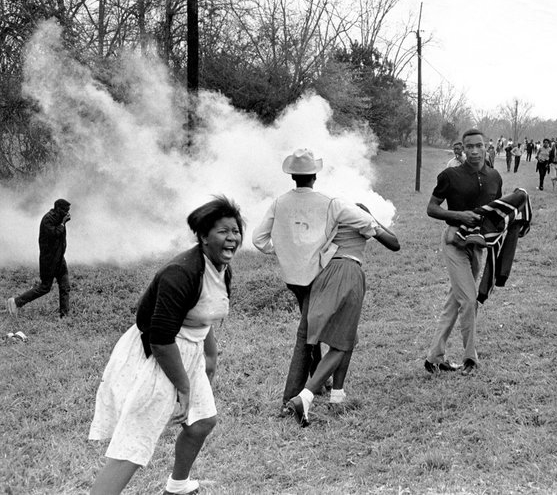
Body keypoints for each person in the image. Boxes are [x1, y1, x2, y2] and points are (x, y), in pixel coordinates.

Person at [89, 196, 244, 495]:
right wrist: (183, 387)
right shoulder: (181, 272)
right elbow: (160, 338)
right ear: (203, 236)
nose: (232, 238)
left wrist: (210, 356)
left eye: (235, 231)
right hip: (159, 354)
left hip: (188, 350)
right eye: (223, 231)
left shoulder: (220, 267)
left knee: (201, 421)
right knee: (134, 443)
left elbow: (204, 312)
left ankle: (178, 486)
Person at [252, 149, 385, 413]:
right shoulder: (330, 202)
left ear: (292, 176)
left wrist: (284, 250)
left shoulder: (279, 203)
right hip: (319, 275)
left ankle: (319, 384)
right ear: (314, 175)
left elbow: (258, 240)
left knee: (312, 331)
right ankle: (293, 398)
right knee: (308, 337)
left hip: (293, 278)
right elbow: (366, 221)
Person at [285, 204, 400, 427]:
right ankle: (305, 396)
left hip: (324, 274)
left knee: (349, 336)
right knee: (343, 342)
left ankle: (337, 395)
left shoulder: (332, 221)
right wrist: (371, 216)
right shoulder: (361, 220)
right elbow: (394, 243)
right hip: (348, 272)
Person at [424, 128, 503, 376]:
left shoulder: (494, 176)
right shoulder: (450, 175)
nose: (474, 151)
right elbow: (431, 208)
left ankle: (434, 358)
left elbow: (497, 211)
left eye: (479, 146)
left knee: (455, 301)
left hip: (477, 245)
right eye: (470, 147)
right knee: (469, 300)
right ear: (462, 149)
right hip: (454, 241)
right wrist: (458, 215)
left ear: (487, 146)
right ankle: (471, 359)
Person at [7, 198, 71, 319]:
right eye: (65, 210)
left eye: (68, 211)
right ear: (58, 209)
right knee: (45, 287)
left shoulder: (59, 218)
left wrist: (63, 222)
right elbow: (54, 234)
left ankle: (65, 316)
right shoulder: (48, 220)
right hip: (49, 261)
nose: (67, 213)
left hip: (59, 259)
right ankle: (16, 302)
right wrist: (63, 223)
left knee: (65, 287)